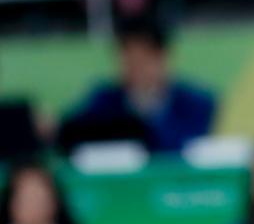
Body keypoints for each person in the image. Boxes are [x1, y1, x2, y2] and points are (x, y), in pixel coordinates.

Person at [57, 14, 216, 154]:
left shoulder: (198, 104)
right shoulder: (102, 101)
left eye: (143, 58)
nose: (136, 68)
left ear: (163, 57)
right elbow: (68, 136)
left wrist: (151, 111)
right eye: (128, 60)